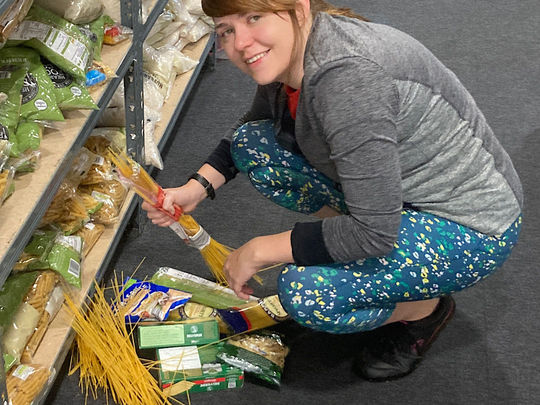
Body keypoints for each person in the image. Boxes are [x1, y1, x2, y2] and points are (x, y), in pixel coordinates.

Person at [142, 0, 523, 381]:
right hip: (393, 199)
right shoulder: (298, 49)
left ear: (299, 9)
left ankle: (423, 309)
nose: (241, 42)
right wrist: (197, 187)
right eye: (226, 29)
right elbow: (257, 122)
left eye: (254, 18)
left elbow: (375, 230)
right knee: (253, 145)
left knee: (307, 294)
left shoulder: (348, 79)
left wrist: (261, 250)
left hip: (472, 225)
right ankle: (368, 262)